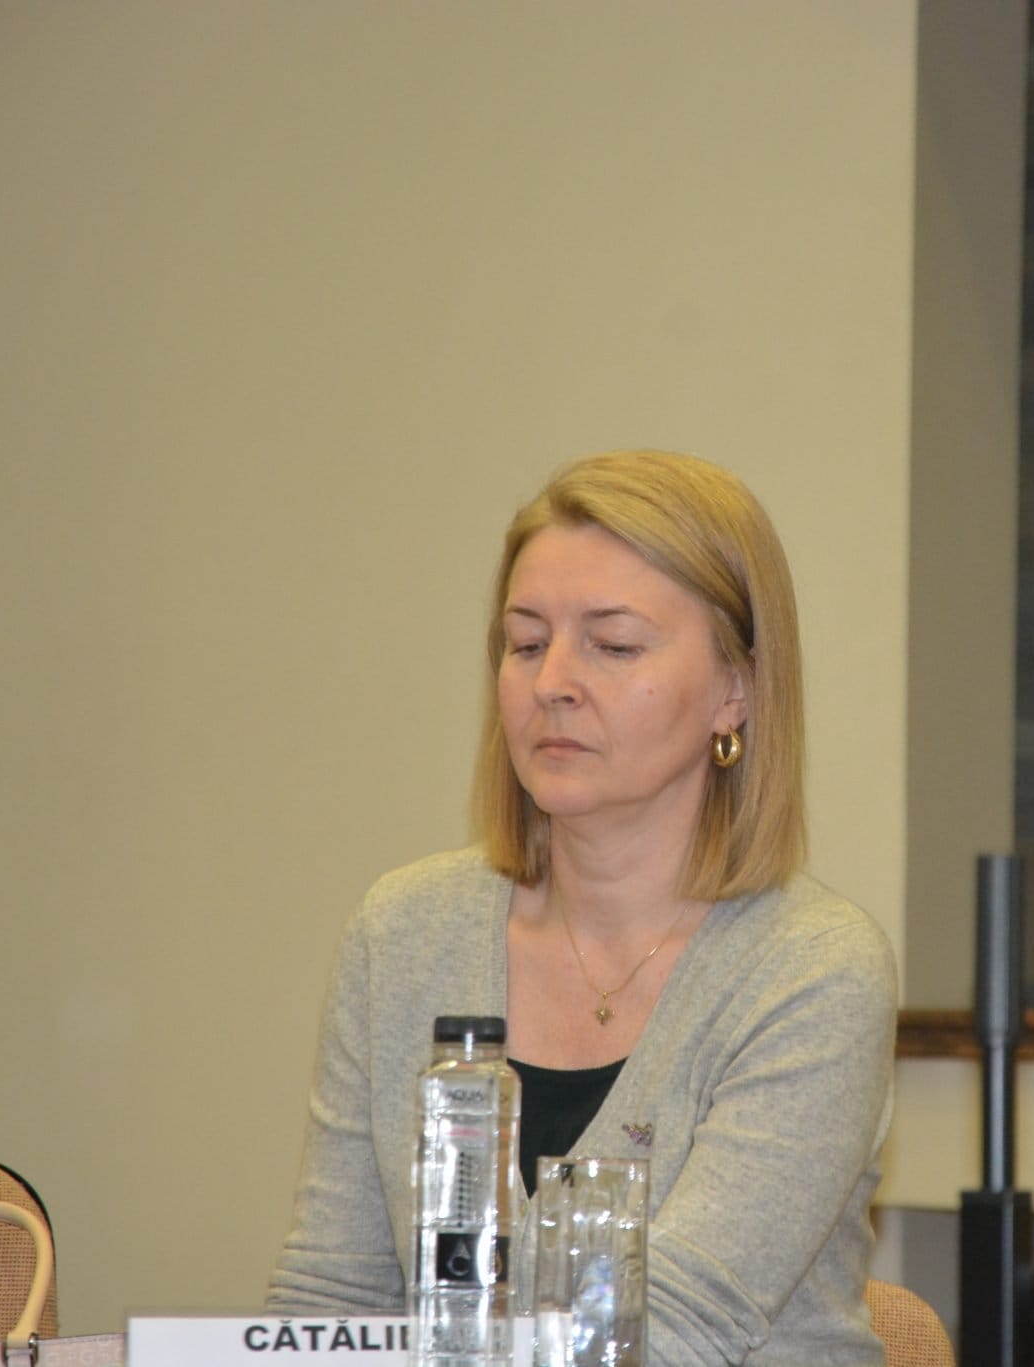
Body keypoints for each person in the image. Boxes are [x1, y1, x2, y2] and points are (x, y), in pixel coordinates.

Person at [266, 450, 898, 1365]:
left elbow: (667, 1338)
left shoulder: (814, 968)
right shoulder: (404, 931)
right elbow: (329, 1305)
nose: (551, 681)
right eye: (526, 643)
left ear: (736, 690)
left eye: (614, 644)